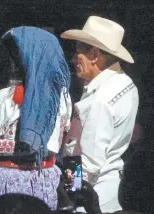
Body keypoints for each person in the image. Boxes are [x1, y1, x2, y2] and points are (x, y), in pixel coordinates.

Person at [0, 26, 72, 211]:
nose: (12, 61)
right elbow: (64, 138)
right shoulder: (63, 98)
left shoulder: (6, 97)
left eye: (16, 55)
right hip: (46, 180)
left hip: (6, 184)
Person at [60, 16, 139, 213]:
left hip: (92, 197)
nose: (74, 58)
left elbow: (88, 163)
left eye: (78, 51)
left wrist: (69, 193)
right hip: (110, 188)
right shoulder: (126, 84)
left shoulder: (101, 98)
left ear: (94, 54)